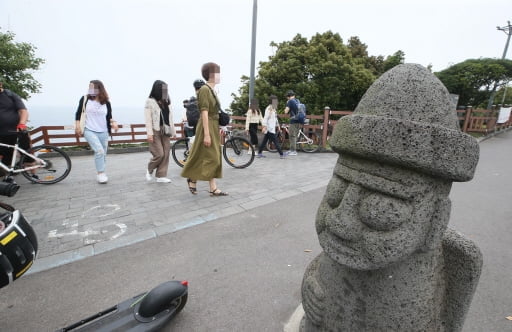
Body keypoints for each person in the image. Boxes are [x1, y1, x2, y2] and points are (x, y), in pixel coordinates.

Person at [181, 62, 227, 196]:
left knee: (206, 155)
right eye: (217, 72)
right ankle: (193, 178)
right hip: (206, 126)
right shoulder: (204, 90)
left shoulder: (211, 90)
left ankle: (211, 187)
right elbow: (204, 112)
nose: (219, 75)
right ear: (211, 75)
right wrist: (207, 134)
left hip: (212, 125)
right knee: (212, 157)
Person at [75, 80, 118, 184]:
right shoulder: (85, 99)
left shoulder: (106, 102)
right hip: (89, 129)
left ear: (99, 89)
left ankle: (101, 172)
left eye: (93, 87)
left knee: (103, 153)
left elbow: (109, 116)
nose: (90, 89)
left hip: (103, 131)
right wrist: (77, 127)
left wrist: (114, 122)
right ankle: (101, 173)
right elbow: (78, 113)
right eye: (89, 87)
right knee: (99, 151)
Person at [144, 80, 176, 183]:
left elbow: (170, 118)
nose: (166, 91)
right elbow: (148, 119)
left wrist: (173, 131)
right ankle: (150, 169)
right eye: (163, 89)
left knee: (166, 153)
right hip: (155, 130)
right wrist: (149, 133)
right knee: (159, 154)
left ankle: (161, 175)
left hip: (166, 130)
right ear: (158, 89)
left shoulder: (167, 102)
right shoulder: (150, 101)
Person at [0, 77, 31, 181]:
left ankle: (34, 175)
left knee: (26, 153)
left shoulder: (10, 95)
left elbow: (23, 111)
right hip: (2, 134)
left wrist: (22, 124)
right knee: (6, 157)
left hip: (16, 131)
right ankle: (8, 176)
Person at [283, 90, 299, 155]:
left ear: (288, 96)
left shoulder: (290, 101)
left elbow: (286, 111)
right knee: (293, 135)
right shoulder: (297, 101)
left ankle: (293, 151)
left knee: (292, 135)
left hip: (293, 120)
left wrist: (287, 104)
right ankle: (291, 149)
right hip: (299, 120)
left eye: (287, 97)